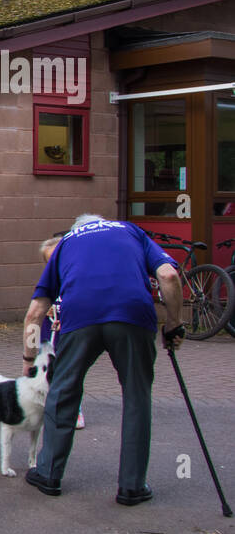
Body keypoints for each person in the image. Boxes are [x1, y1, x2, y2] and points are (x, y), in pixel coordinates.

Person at [22, 214, 182, 506]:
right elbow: (169, 276)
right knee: (137, 395)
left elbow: (35, 313)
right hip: (133, 314)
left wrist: (29, 358)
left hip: (80, 315)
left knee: (63, 391)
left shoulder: (67, 243)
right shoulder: (132, 231)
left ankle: (48, 474)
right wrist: (173, 325)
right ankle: (132, 487)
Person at [37, 237, 83, 430]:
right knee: (48, 371)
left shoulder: (76, 279)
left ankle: (75, 410)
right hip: (49, 334)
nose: (53, 264)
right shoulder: (49, 282)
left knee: (70, 371)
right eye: (49, 261)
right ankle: (48, 406)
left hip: (68, 333)